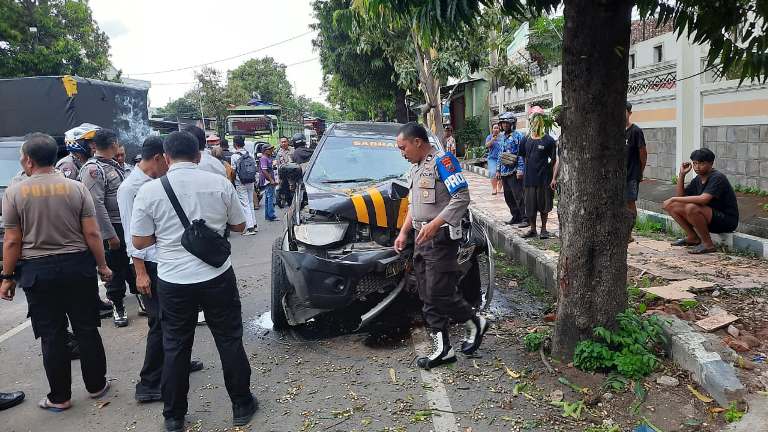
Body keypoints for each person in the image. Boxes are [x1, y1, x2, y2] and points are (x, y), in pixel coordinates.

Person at [131, 131, 255, 432]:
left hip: (173, 279)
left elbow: (139, 239)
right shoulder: (218, 182)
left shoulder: (149, 191)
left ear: (166, 156)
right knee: (228, 338)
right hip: (217, 274)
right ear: (198, 155)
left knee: (175, 345)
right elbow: (240, 225)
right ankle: (241, 405)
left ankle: (174, 416)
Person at [1, 133, 112, 412]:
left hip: (39, 273)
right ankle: (97, 385)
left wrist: (7, 276)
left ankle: (60, 397)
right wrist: (102, 265)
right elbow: (92, 232)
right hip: (78, 268)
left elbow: (12, 240)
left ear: (27, 159)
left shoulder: (15, 192)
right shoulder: (76, 188)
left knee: (52, 335)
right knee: (87, 328)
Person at [393, 122, 490, 370]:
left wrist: (436, 224)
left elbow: (461, 197)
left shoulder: (443, 162)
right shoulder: (415, 170)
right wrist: (404, 232)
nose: (402, 153)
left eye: (403, 147)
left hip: (442, 237)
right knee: (426, 294)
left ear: (417, 142)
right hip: (421, 238)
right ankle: (443, 349)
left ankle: (474, 321)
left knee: (439, 291)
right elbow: (414, 206)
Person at [117, 136, 204, 404]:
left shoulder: (152, 183)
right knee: (159, 322)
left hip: (165, 263)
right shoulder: (132, 189)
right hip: (150, 265)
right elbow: (134, 236)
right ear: (158, 158)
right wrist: (140, 272)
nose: (169, 166)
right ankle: (149, 382)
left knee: (175, 320)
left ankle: (176, 362)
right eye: (166, 161)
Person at [80, 129, 135, 327]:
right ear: (113, 145)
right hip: (112, 227)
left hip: (126, 224)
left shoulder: (115, 166)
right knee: (115, 270)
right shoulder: (93, 169)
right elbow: (96, 205)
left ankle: (140, 299)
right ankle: (118, 306)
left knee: (132, 265)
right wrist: (110, 234)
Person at [663, 148, 739, 254]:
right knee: (672, 206)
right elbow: (681, 197)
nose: (697, 167)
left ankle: (708, 244)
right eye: (694, 163)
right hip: (708, 217)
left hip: (726, 220)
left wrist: (673, 198)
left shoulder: (717, 177)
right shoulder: (698, 179)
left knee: (691, 207)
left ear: (711, 163)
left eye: (701, 163)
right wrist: (682, 175)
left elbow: (704, 199)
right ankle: (692, 237)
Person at [518, 108, 557, 239]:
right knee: (530, 206)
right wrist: (526, 170)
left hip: (544, 179)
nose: (536, 122)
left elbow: (554, 160)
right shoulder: (525, 140)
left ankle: (544, 229)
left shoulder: (549, 140)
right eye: (533, 119)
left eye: (538, 119)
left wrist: (551, 176)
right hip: (529, 179)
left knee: (544, 205)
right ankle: (533, 229)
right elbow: (523, 157)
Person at [497, 114, 528, 227]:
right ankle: (516, 216)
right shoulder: (502, 137)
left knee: (519, 196)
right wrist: (498, 170)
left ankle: (526, 218)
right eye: (503, 123)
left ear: (512, 124)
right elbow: (500, 154)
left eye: (507, 123)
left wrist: (520, 169)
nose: (504, 125)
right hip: (504, 171)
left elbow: (521, 155)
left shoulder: (518, 136)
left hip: (514, 171)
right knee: (508, 196)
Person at [626, 102, 648, 241]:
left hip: (631, 174)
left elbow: (643, 154)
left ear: (629, 113)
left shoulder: (635, 131)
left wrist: (640, 172)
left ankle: (628, 233)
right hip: (616, 175)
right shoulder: (613, 131)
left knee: (629, 203)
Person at [231, 136, 259, 235]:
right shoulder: (250, 154)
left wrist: (233, 180)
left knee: (245, 204)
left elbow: (233, 171)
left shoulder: (234, 156)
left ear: (235, 144)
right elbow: (255, 168)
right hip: (251, 181)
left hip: (240, 182)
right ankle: (254, 225)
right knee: (250, 203)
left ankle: (250, 228)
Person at [259, 144, 278, 221]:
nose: (271, 150)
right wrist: (271, 180)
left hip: (268, 180)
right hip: (267, 181)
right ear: (265, 150)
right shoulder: (264, 158)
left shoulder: (268, 158)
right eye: (270, 149)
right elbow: (264, 170)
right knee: (271, 198)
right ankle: (271, 215)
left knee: (268, 197)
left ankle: (268, 215)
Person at [485, 123, 504, 195]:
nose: (496, 129)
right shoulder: (489, 137)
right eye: (494, 128)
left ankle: (499, 188)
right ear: (492, 129)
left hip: (502, 158)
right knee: (493, 173)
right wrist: (492, 139)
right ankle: (494, 188)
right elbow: (487, 145)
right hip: (492, 158)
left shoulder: (503, 137)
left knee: (502, 173)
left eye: (497, 128)